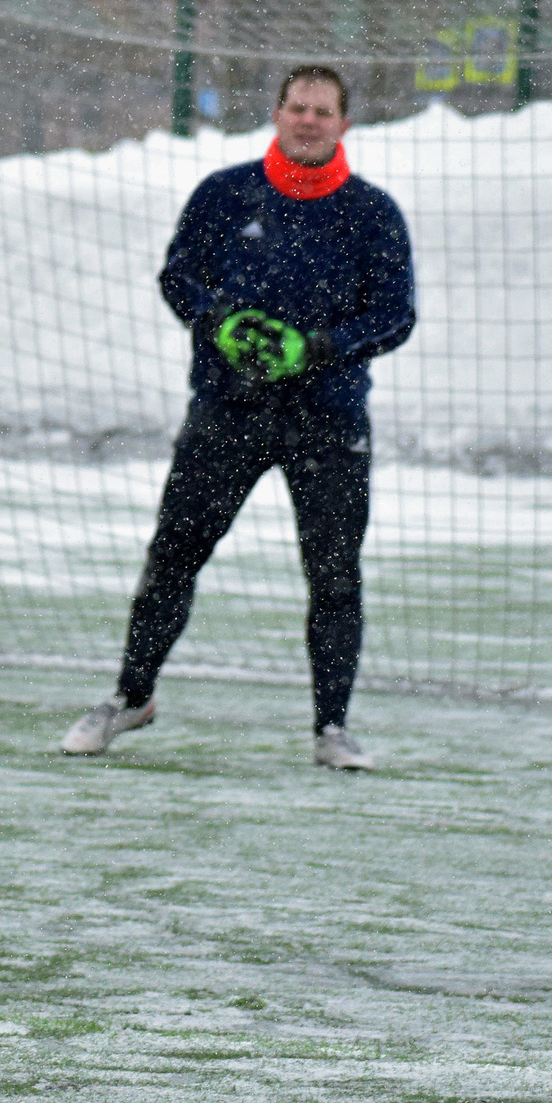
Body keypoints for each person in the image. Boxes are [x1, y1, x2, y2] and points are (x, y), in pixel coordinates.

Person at [61, 64, 414, 768]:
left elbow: (396, 315)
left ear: (344, 124)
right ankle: (132, 696)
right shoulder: (225, 194)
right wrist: (216, 321)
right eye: (297, 107)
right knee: (175, 555)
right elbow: (178, 275)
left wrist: (322, 349)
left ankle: (331, 728)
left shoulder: (372, 213)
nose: (308, 120)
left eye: (322, 111)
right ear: (276, 114)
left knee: (334, 573)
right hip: (229, 410)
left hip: (327, 418)